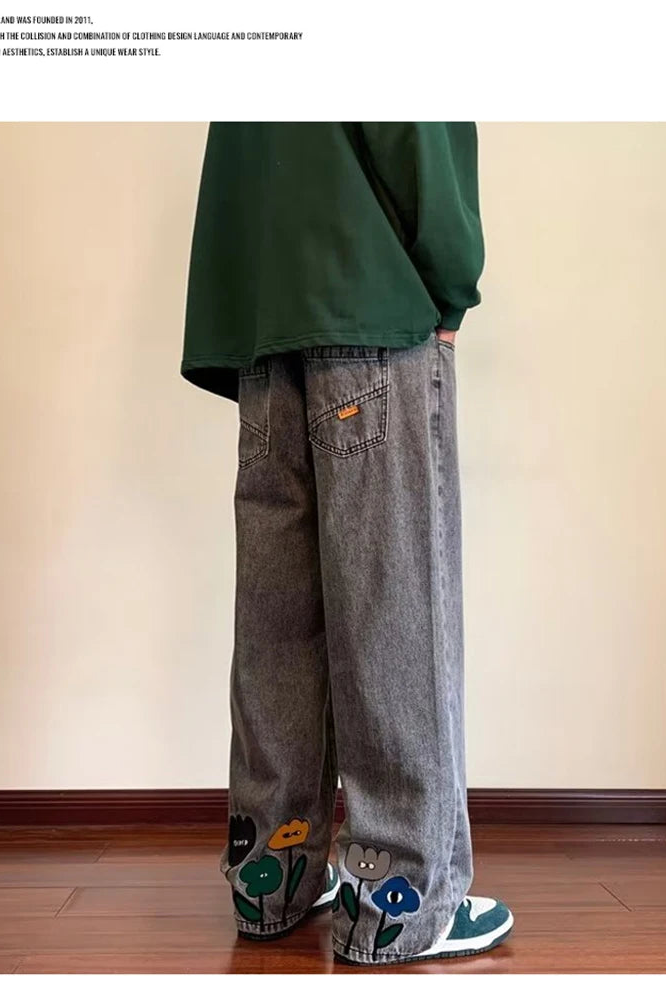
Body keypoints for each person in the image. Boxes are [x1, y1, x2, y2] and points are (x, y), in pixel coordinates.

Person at [181, 122, 514, 966]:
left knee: (278, 619)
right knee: (395, 609)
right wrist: (451, 288)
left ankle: (272, 873)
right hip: (370, 300)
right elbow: (414, 125)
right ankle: (402, 902)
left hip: (267, 320)